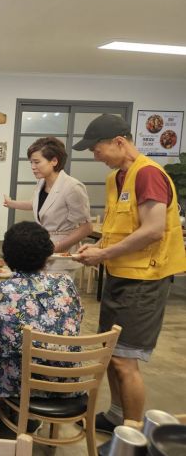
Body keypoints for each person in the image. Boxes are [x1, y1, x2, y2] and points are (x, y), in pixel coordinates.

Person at [73, 114, 186, 429]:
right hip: (119, 276)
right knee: (111, 354)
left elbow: (153, 230)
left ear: (119, 142)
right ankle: (116, 415)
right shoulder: (116, 178)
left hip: (144, 282)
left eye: (97, 150)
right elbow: (119, 229)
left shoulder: (148, 174)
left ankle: (133, 433)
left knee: (125, 360)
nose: (96, 157)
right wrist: (96, 249)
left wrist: (104, 253)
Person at [0, 221, 83, 399]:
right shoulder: (66, 283)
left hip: (17, 386)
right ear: (47, 254)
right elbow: (78, 319)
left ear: (7, 256)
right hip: (64, 383)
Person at [4, 137, 92, 273]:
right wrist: (12, 203)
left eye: (37, 162)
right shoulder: (42, 182)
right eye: (31, 162)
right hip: (42, 249)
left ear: (54, 161)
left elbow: (86, 228)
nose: (33, 167)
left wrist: (55, 248)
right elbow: (38, 205)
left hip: (61, 253)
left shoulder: (72, 187)